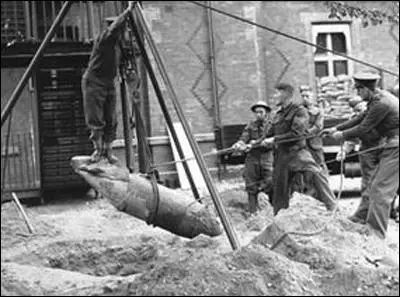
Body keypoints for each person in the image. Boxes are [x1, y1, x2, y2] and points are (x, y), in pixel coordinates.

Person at [325, 72, 399, 238]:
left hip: (395, 146)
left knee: (380, 191)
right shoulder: (378, 98)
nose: (357, 94)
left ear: (366, 89)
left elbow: (364, 128)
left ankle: (376, 235)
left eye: (359, 90)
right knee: (375, 187)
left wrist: (342, 136)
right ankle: (367, 223)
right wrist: (337, 128)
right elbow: (361, 117)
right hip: (391, 145)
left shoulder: (382, 103)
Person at [260, 83, 337, 215]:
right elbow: (267, 135)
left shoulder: (299, 111)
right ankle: (279, 219)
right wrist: (248, 144)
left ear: (286, 95)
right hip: (281, 157)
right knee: (280, 190)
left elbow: (297, 134)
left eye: (277, 93)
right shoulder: (277, 114)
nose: (274, 96)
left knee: (315, 174)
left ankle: (333, 208)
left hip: (297, 153)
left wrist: (274, 140)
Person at [82, 2, 135, 164]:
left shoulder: (119, 45)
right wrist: (128, 10)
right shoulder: (104, 39)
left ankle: (108, 151)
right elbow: (113, 30)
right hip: (94, 81)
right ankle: (98, 151)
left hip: (108, 83)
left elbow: (123, 62)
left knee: (111, 119)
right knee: (96, 118)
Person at [335, 98, 383, 225]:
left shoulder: (378, 113)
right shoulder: (357, 118)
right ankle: (363, 215)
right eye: (355, 111)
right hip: (367, 151)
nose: (357, 113)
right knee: (368, 183)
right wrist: (344, 151)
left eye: (359, 109)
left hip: (384, 150)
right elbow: (352, 139)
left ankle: (388, 211)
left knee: (385, 183)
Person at [231, 101, 274, 213]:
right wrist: (239, 144)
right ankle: (253, 213)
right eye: (256, 112)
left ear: (266, 113)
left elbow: (277, 139)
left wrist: (267, 143)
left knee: (271, 183)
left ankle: (275, 211)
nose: (258, 114)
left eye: (261, 112)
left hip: (267, 157)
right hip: (253, 157)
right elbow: (244, 138)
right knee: (251, 185)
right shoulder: (251, 125)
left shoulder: (272, 125)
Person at [300, 85, 329, 196]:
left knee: (319, 166)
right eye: (303, 96)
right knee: (305, 169)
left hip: (314, 143)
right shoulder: (298, 110)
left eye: (307, 96)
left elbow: (318, 126)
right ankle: (309, 193)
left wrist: (306, 132)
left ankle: (324, 192)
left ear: (312, 96)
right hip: (302, 145)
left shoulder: (318, 111)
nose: (305, 98)